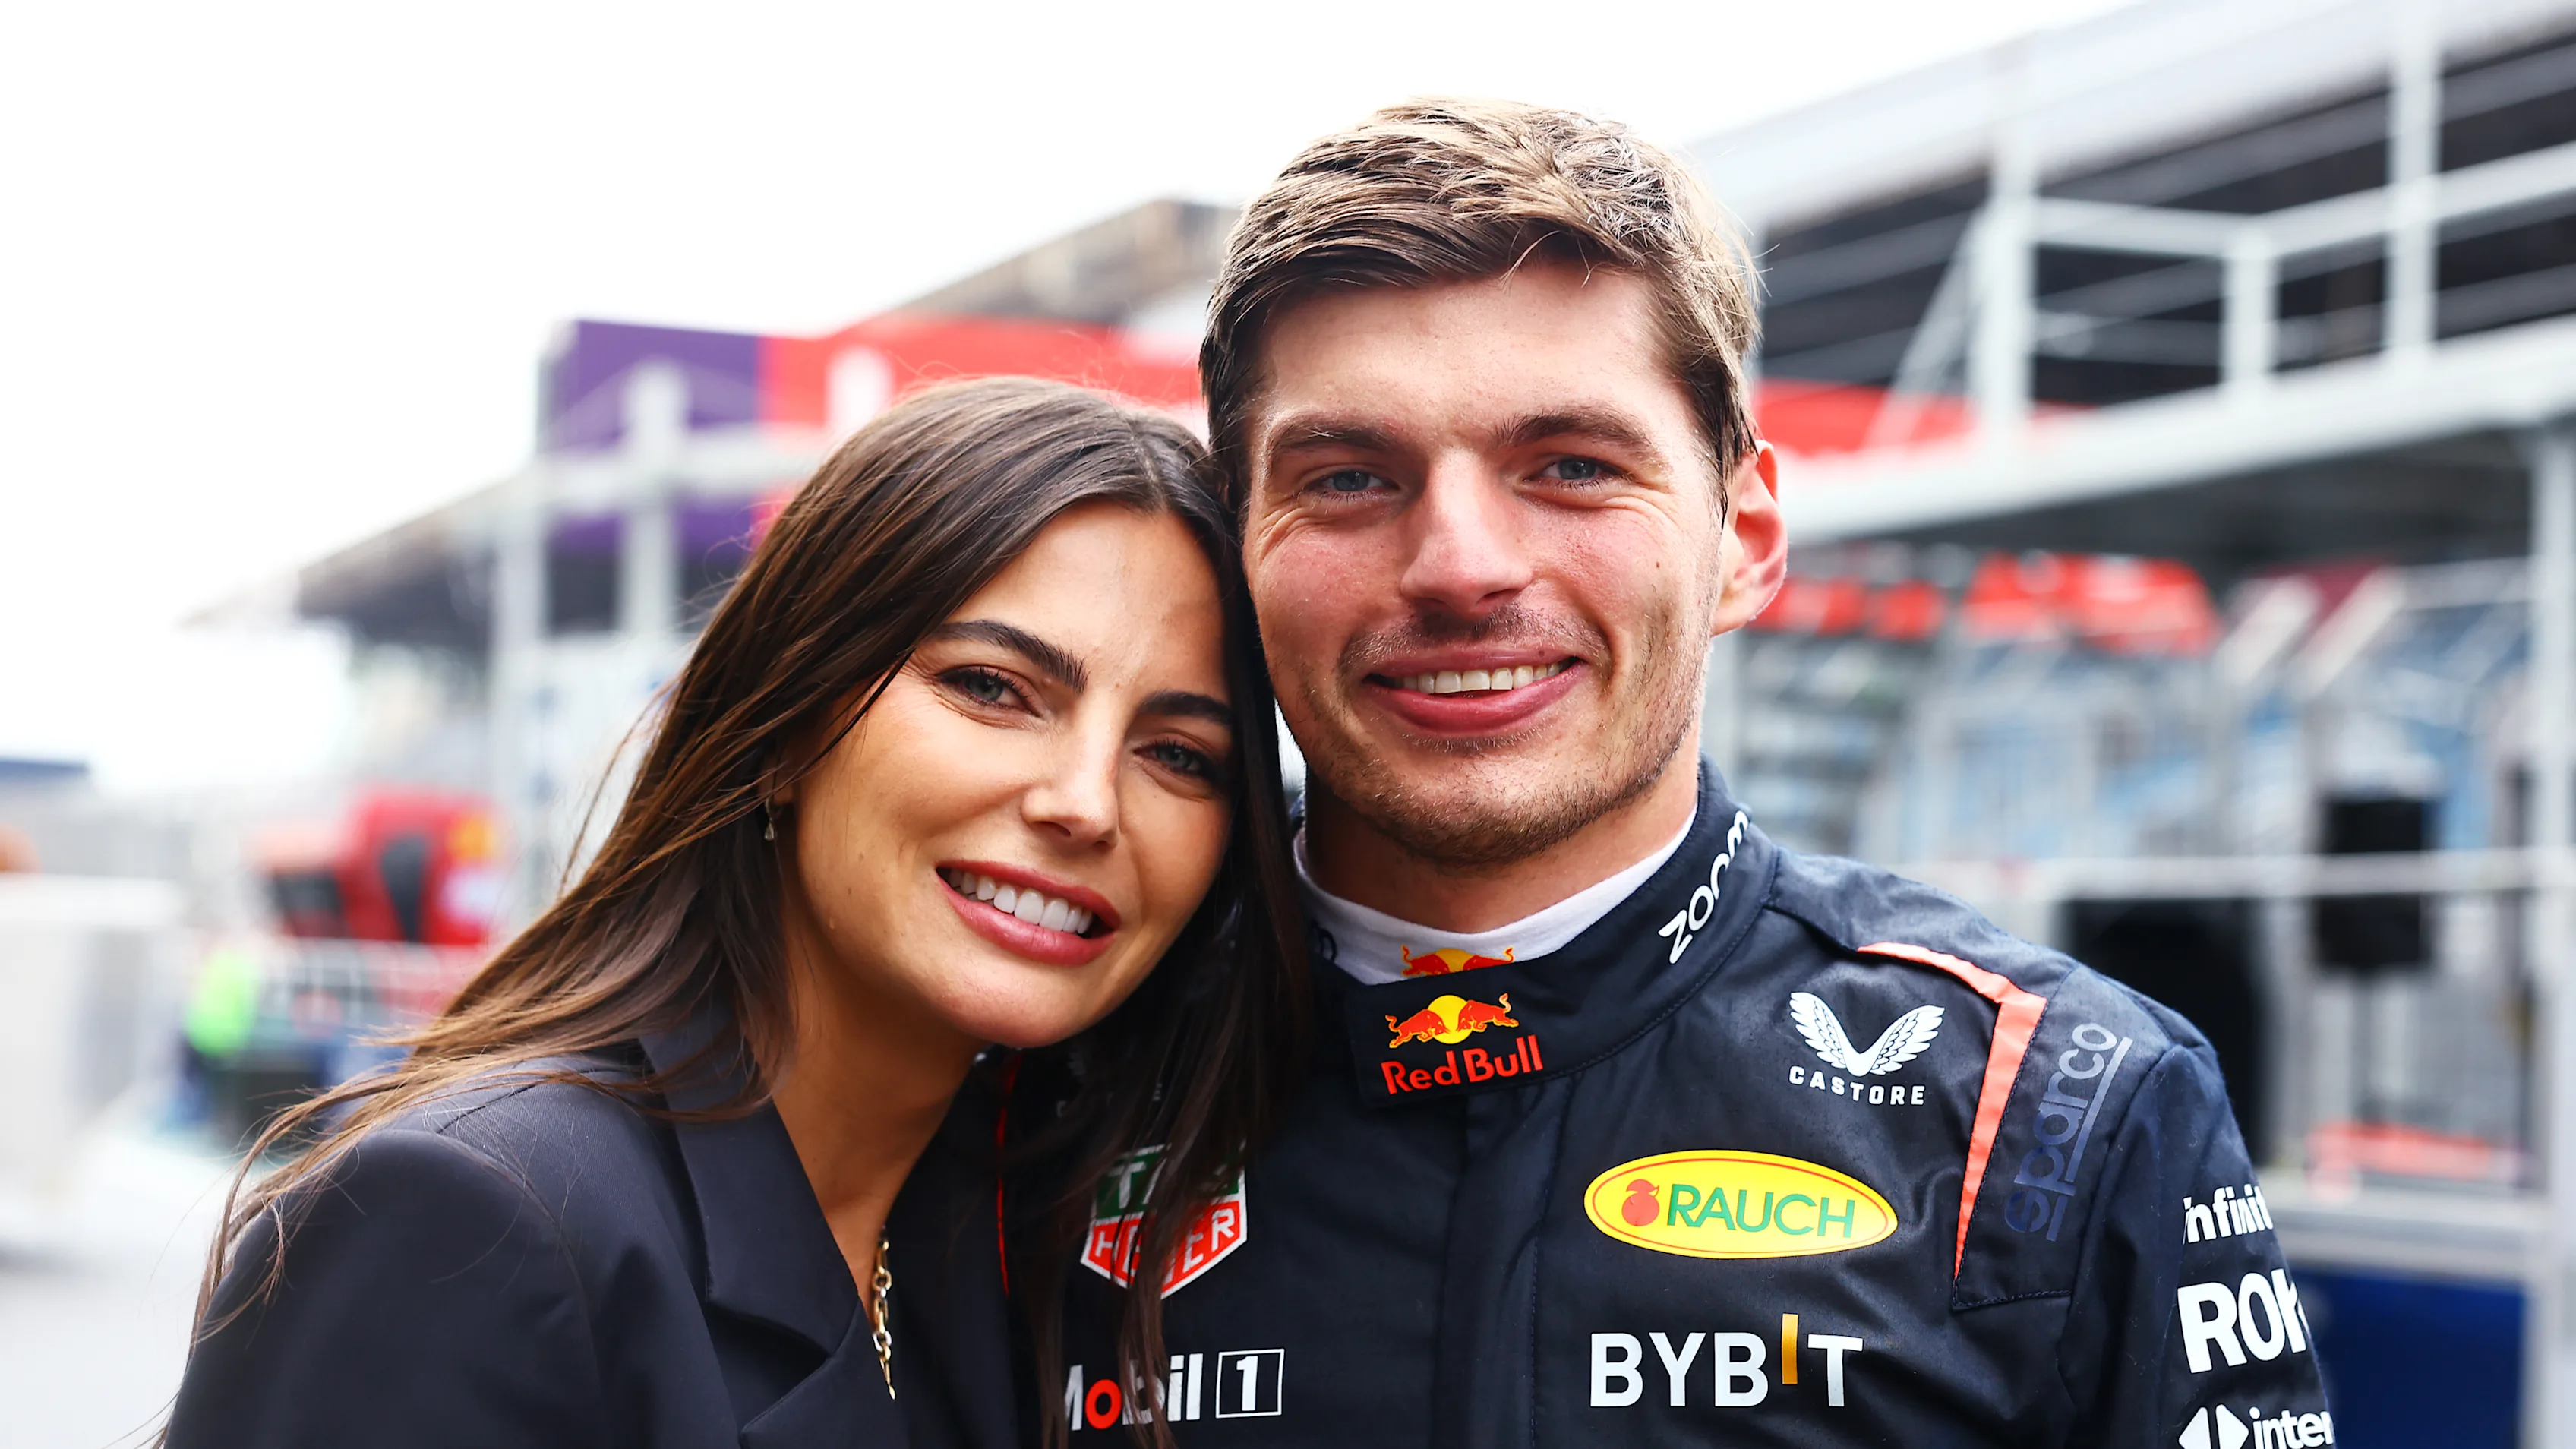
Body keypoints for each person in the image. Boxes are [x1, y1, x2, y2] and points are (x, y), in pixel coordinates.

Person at [1038, 100, 2329, 1447]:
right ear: (1237, 544)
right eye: (1352, 477)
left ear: (1743, 539)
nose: (1462, 566)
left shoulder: (2066, 1102)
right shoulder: (1041, 1068)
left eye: (1572, 466)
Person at [165, 377, 1308, 1449]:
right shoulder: (475, 1222)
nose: (1086, 804)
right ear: (786, 723)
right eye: (991, 689)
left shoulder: (999, 1247)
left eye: (1179, 753)